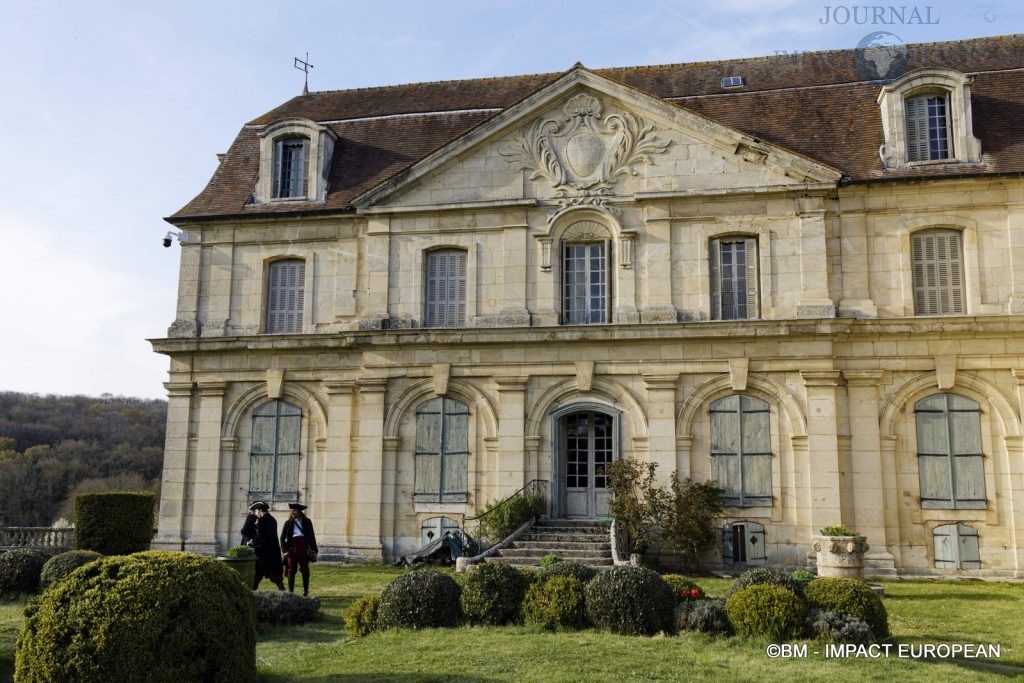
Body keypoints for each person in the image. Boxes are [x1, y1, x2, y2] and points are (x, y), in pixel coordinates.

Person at [280, 502, 318, 596]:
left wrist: (314, 549)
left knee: (305, 569)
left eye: (295, 510)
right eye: (292, 510)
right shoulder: (288, 523)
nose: (292, 512)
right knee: (291, 570)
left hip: (303, 546)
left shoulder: (307, 522)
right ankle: (291, 592)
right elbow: (282, 538)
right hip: (292, 547)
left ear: (299, 511)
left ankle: (305, 591)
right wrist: (284, 550)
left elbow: (311, 536)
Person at [248, 501, 285, 591]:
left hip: (263, 552)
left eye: (256, 511)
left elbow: (261, 536)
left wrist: (252, 542)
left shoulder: (261, 521)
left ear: (260, 510)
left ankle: (252, 592)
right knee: (275, 575)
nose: (256, 513)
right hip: (272, 551)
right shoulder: (273, 519)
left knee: (258, 574)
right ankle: (282, 590)